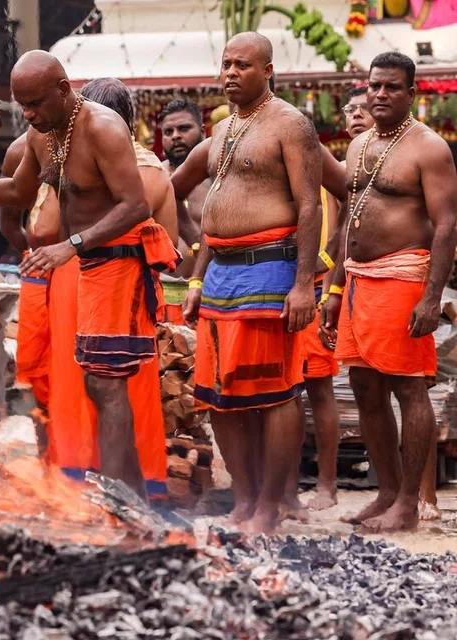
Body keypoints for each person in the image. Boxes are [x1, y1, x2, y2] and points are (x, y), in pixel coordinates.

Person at [0, 51, 179, 498]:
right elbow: (18, 190)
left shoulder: (103, 128)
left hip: (119, 265)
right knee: (96, 383)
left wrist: (70, 245)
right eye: (22, 105)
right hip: (85, 267)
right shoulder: (44, 133)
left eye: (35, 103)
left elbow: (135, 205)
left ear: (63, 90)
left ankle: (119, 500)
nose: (28, 114)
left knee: (106, 384)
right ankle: (130, 500)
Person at [172, 33, 322, 533]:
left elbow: (310, 205)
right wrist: (196, 277)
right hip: (219, 274)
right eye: (226, 64)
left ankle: (270, 505)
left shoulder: (290, 124)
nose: (231, 73)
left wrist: (303, 284)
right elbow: (196, 203)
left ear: (268, 70)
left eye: (243, 64)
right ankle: (244, 497)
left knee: (275, 391)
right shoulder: (223, 130)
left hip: (271, 269)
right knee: (218, 393)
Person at [320, 52, 457, 532]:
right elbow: (346, 222)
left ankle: (409, 504)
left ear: (411, 94)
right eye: (375, 85)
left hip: (404, 277)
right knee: (363, 385)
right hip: (358, 278)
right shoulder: (357, 146)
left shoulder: (429, 148)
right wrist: (334, 289)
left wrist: (431, 296)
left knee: (408, 386)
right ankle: (387, 493)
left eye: (392, 87)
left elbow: (447, 225)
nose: (380, 94)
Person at [37, 77, 175, 495]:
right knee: (131, 388)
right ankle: (141, 488)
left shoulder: (84, 162)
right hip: (132, 284)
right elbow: (170, 239)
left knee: (86, 384)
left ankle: (94, 485)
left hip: (86, 277)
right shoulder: (155, 169)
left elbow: (42, 228)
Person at [301, 86, 375, 511]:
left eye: (364, 108)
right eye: (350, 109)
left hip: (323, 287)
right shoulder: (338, 162)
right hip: (288, 285)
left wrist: (329, 278)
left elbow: (340, 228)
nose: (356, 115)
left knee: (320, 388)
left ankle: (327, 485)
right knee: (286, 391)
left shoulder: (336, 168)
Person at [0, 133, 59, 456]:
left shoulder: (92, 138)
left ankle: (83, 464)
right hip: (41, 274)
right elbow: (8, 224)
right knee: (40, 375)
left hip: (88, 266)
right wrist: (38, 254)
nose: (33, 113)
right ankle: (49, 464)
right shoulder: (17, 151)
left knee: (86, 370)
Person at [159, 98, 210, 314]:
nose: (175, 136)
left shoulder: (217, 178)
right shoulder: (154, 176)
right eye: (168, 132)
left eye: (184, 128)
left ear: (203, 131)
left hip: (208, 291)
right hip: (162, 294)